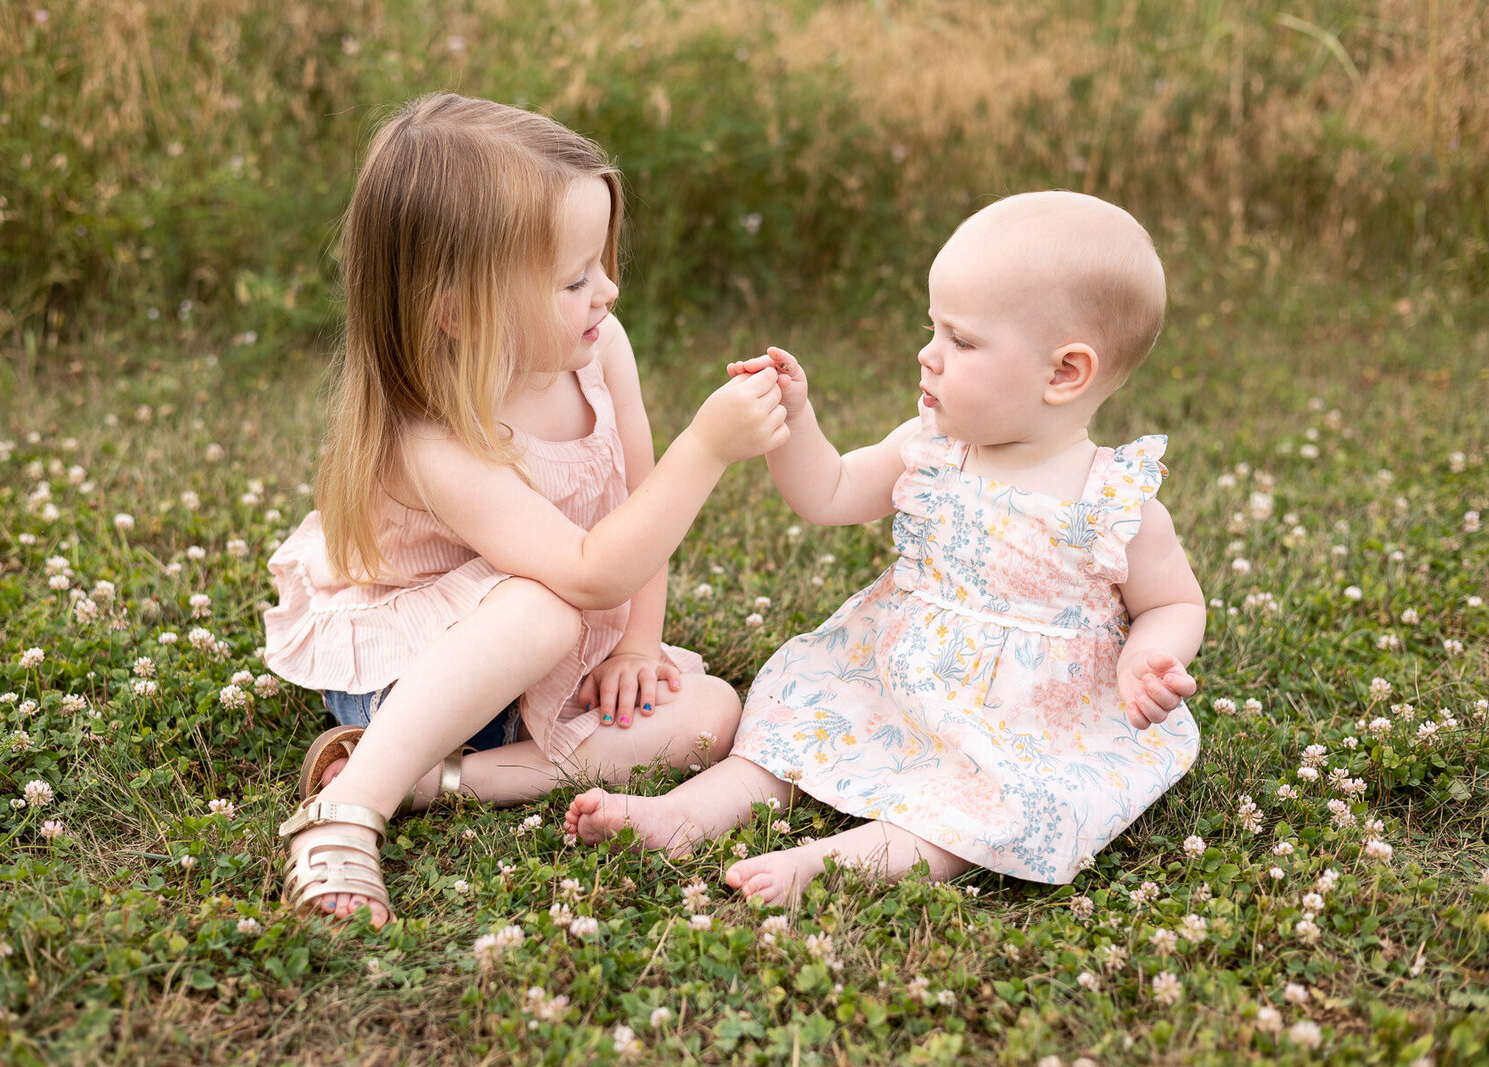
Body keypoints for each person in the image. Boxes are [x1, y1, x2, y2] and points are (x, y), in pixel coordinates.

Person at [565, 191, 1205, 905]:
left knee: (995, 804)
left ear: (1064, 373)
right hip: (896, 676)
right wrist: (797, 421)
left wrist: (1154, 654)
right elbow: (829, 492)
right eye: (934, 329)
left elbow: (1173, 599)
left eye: (960, 341)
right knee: (794, 731)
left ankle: (830, 861)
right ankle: (682, 813)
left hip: (1029, 718)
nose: (927, 355)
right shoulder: (928, 447)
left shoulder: (1115, 503)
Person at [264, 93, 791, 926]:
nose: (608, 291)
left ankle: (440, 781)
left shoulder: (600, 350)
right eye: (575, 278)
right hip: (423, 666)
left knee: (710, 715)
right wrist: (709, 448)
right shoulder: (431, 437)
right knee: (545, 610)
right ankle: (348, 807)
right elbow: (587, 574)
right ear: (460, 311)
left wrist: (641, 641)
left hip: (538, 658)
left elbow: (639, 502)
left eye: (603, 265)